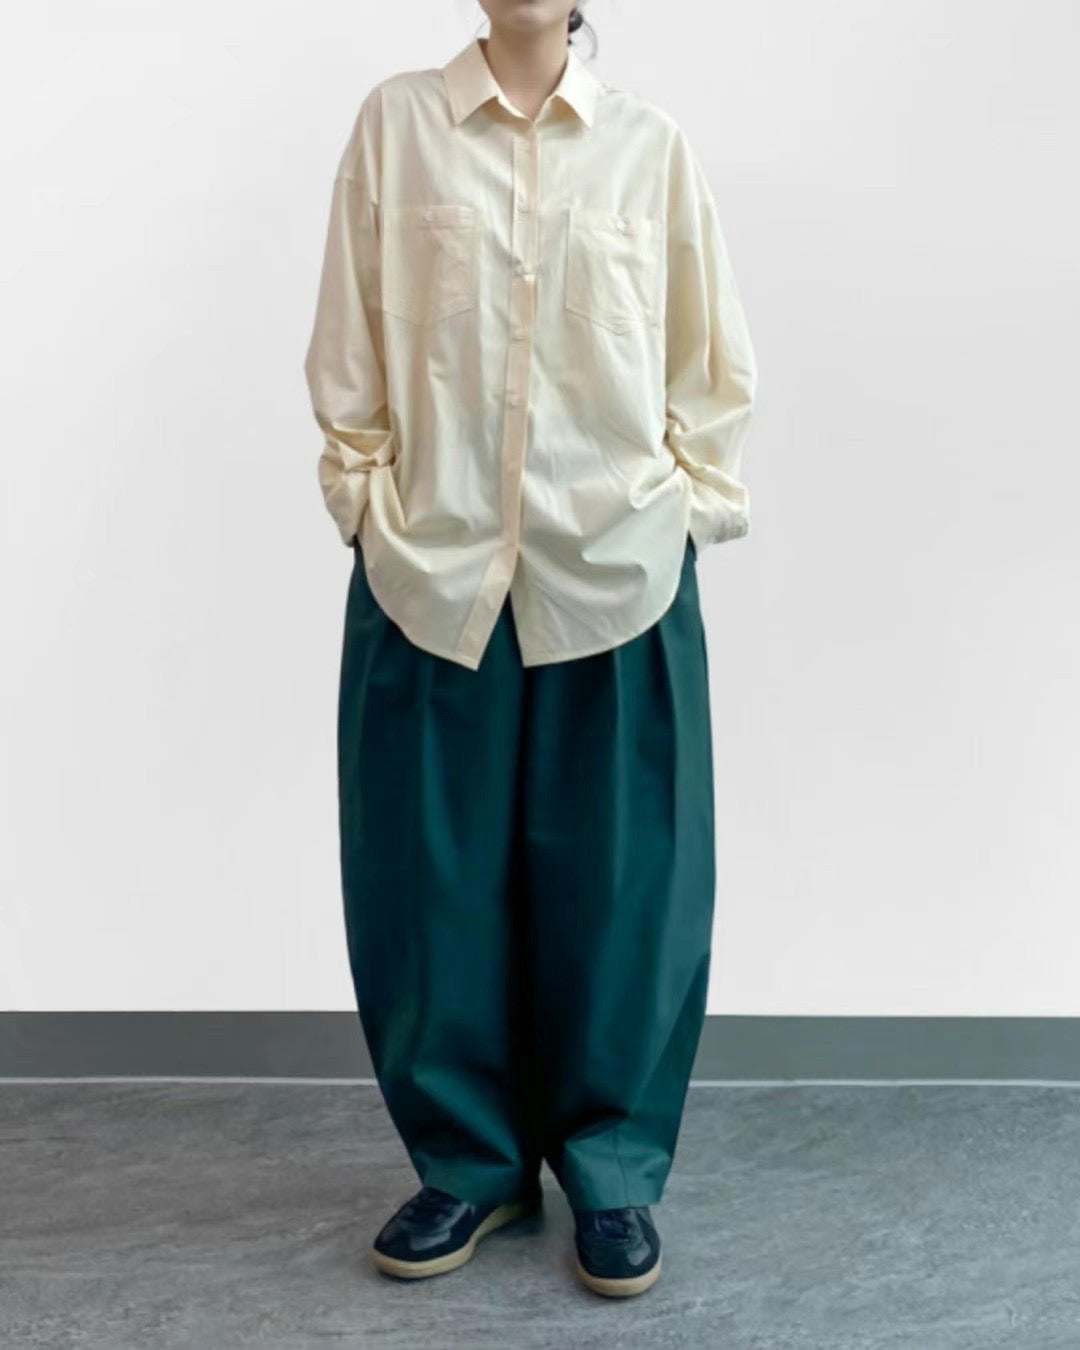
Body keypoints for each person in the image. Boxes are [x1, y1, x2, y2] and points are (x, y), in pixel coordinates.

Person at [302, 0, 757, 1300]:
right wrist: (365, 504)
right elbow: (351, 337)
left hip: (613, 566)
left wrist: (684, 514)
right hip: (433, 565)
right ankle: (471, 1164)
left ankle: (612, 1172)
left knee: (626, 887)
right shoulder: (396, 128)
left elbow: (708, 360)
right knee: (427, 881)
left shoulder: (649, 148)